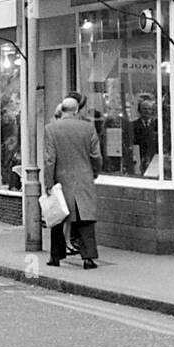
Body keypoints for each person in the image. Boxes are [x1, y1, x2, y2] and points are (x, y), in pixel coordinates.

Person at [44, 96, 104, 270]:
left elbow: (49, 160)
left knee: (58, 217)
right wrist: (94, 173)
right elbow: (96, 156)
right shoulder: (88, 128)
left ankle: (55, 257)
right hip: (84, 178)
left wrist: (48, 183)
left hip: (61, 180)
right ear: (77, 110)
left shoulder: (51, 129)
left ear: (62, 109)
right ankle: (88, 258)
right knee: (86, 219)